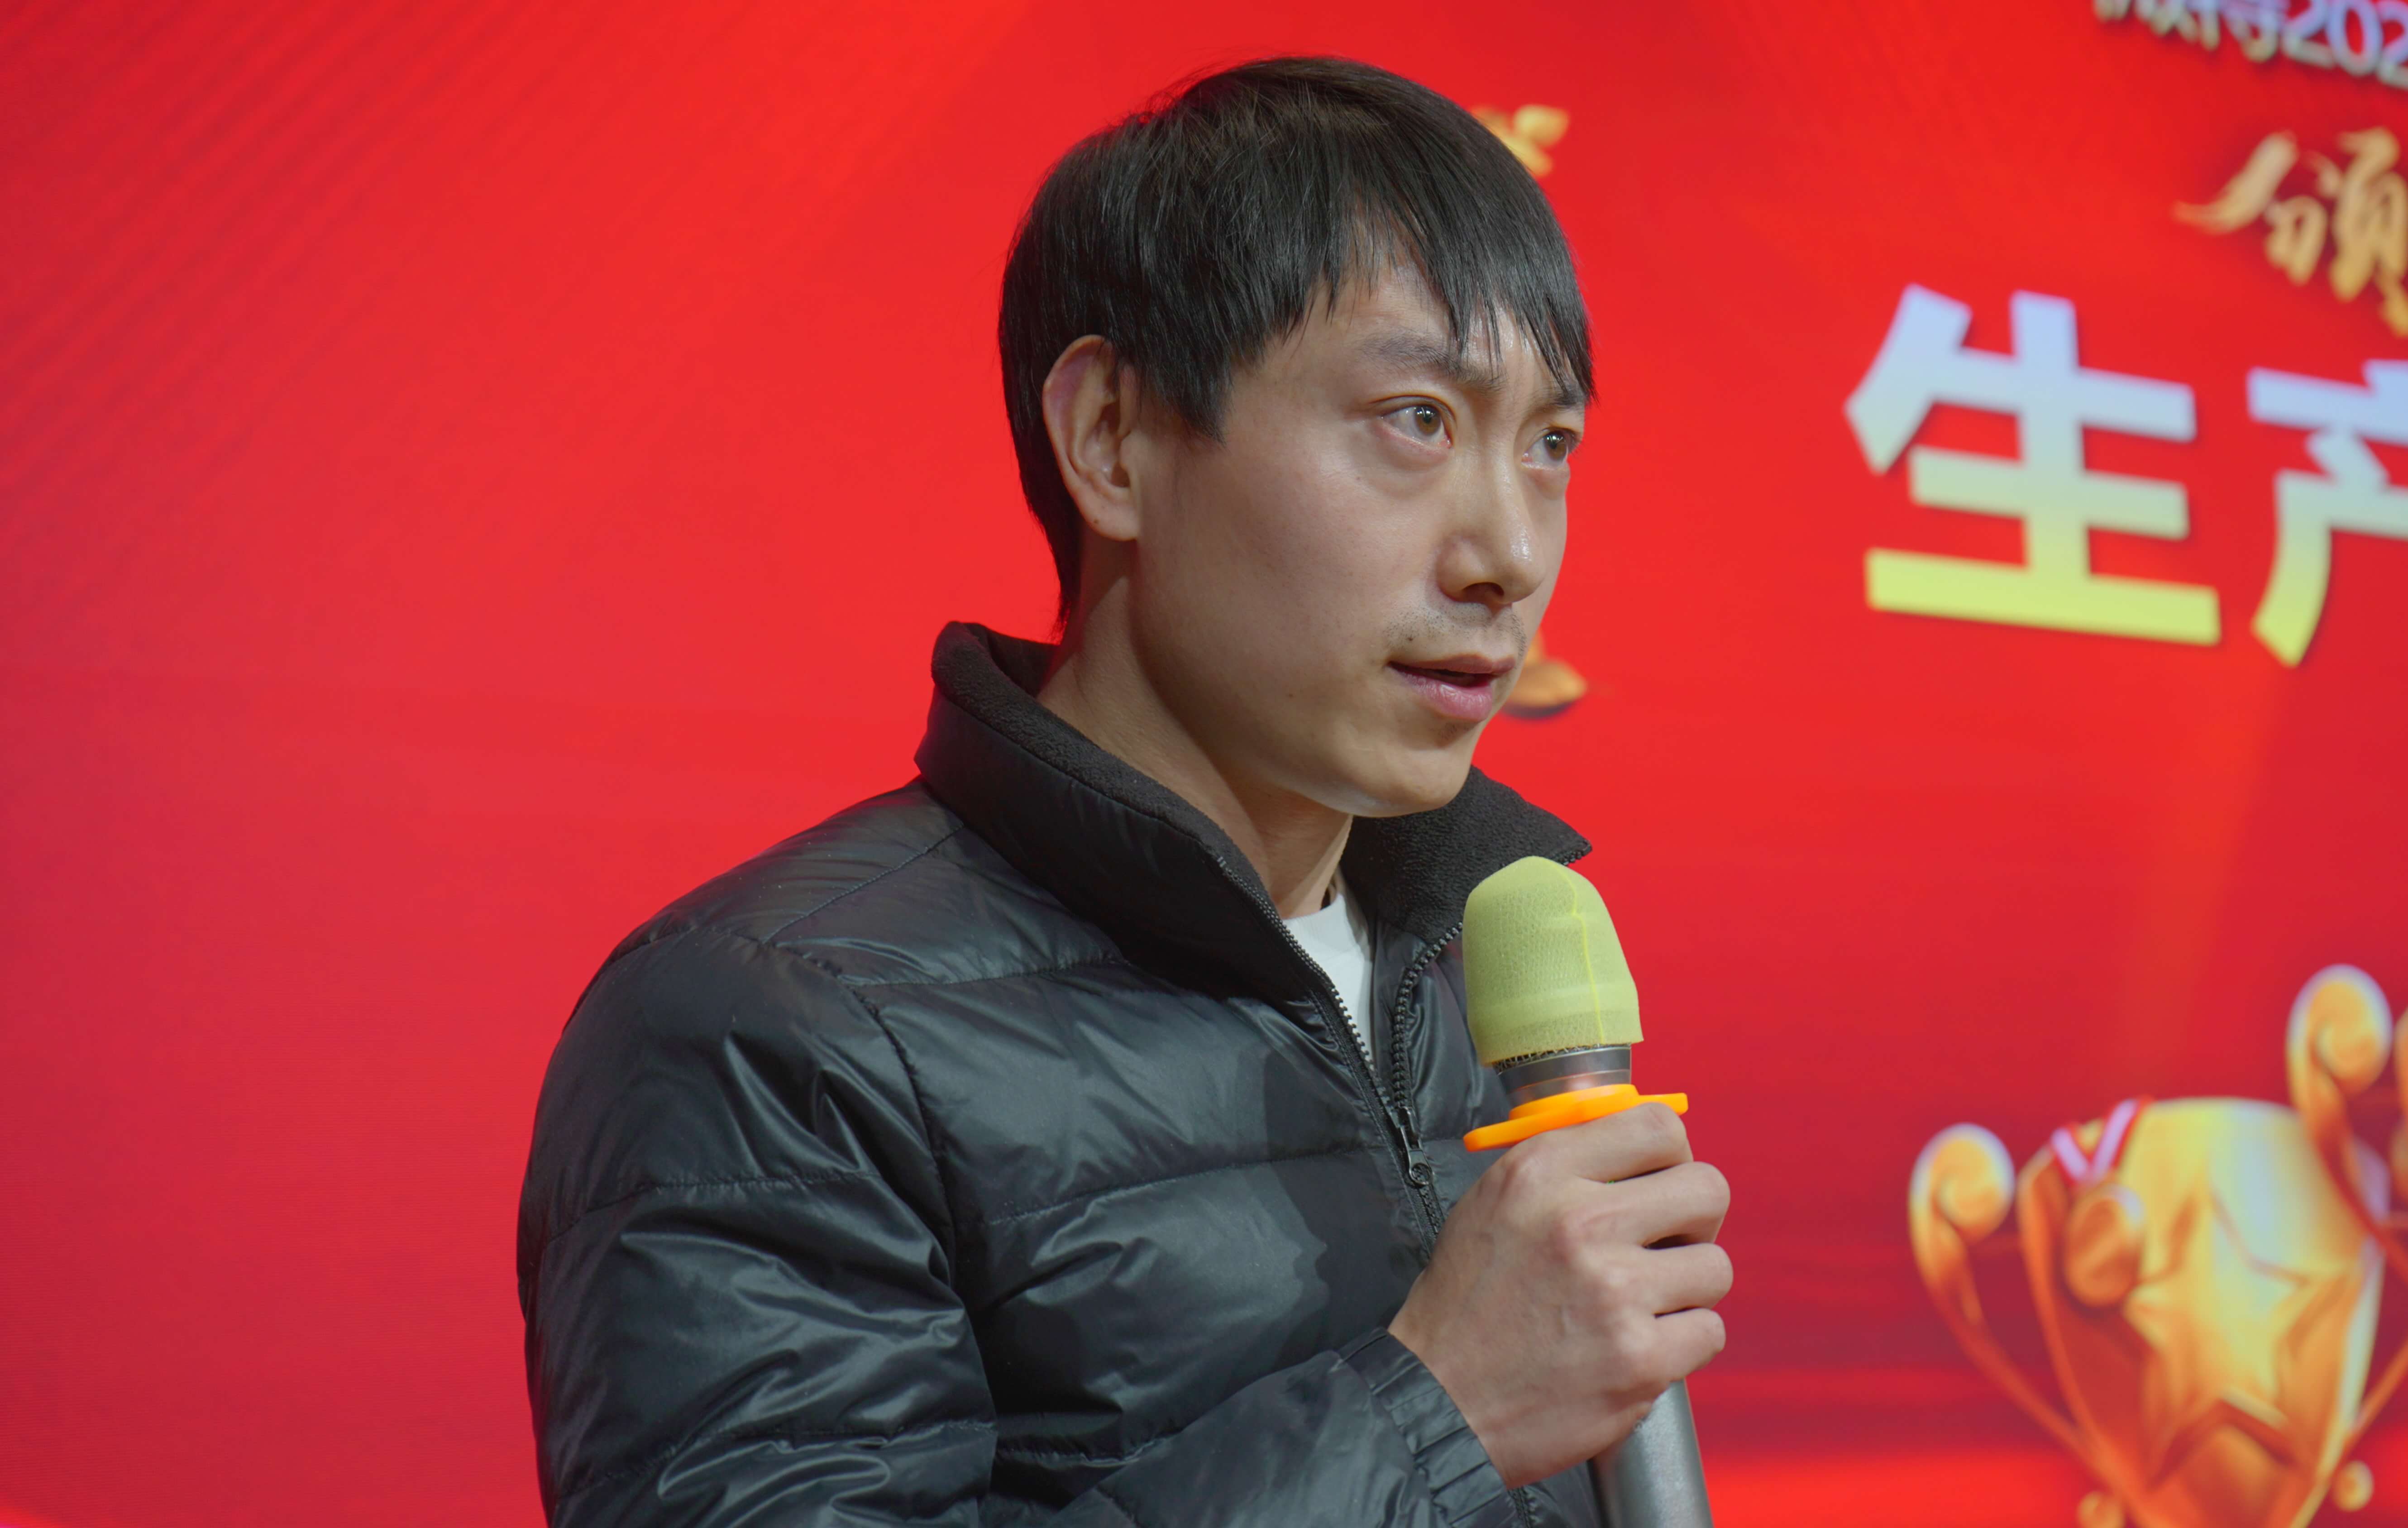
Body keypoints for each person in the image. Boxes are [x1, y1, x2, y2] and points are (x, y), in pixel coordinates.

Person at [516, 56, 1732, 1527]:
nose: (1511, 557)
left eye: (1550, 447)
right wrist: (1440, 1408)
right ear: (1112, 438)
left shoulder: (1474, 981)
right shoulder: (772, 1029)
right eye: (1416, 418)